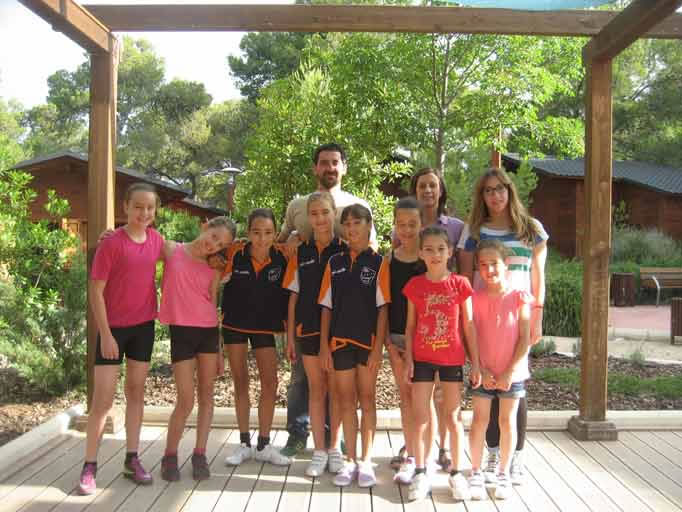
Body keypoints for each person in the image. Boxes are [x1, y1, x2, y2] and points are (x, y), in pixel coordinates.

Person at [278, 143, 376, 458]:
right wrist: (291, 240)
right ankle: (298, 434)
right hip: (307, 309)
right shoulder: (297, 204)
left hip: (343, 312)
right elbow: (282, 240)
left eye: (335, 162)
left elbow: (371, 251)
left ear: (344, 167)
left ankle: (338, 438)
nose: (329, 167)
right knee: (301, 379)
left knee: (339, 378)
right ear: (315, 168)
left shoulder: (358, 205)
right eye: (323, 162)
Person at [457, 167, 548, 486]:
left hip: (518, 317)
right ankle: (492, 453)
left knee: (514, 385)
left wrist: (537, 313)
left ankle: (516, 457)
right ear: (481, 196)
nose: (495, 195)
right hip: (484, 318)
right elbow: (466, 278)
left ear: (509, 190)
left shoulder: (532, 229)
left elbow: (538, 275)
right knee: (487, 384)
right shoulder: (474, 231)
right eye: (488, 190)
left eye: (500, 188)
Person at [79, 183, 165, 495]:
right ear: (126, 207)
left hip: (144, 328)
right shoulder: (112, 243)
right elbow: (96, 291)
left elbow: (187, 254)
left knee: (136, 393)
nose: (144, 212)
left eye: (150, 208)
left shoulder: (156, 240)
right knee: (102, 401)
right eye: (138, 206)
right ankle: (89, 466)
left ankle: (132, 459)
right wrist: (105, 334)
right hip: (112, 330)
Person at [394, 167, 465, 471]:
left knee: (443, 398)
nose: (427, 190)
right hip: (411, 324)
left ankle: (444, 448)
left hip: (444, 325)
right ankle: (413, 447)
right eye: (421, 185)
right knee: (414, 395)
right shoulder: (403, 230)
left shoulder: (455, 227)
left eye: (432, 185)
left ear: (440, 189)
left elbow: (461, 274)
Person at [403, 226, 481, 502]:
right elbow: (410, 327)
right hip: (422, 358)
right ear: (421, 253)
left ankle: (457, 473)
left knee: (453, 416)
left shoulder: (460, 284)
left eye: (440, 249)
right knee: (420, 417)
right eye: (429, 249)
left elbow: (468, 325)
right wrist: (409, 359)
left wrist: (476, 363)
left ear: (449, 252)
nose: (435, 254)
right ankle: (420, 471)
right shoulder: (415, 285)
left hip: (452, 359)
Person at [158, 217, 235, 482]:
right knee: (186, 399)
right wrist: (111, 236)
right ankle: (169, 455)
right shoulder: (172, 250)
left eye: (220, 245)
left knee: (206, 396)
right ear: (205, 226)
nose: (213, 245)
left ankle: (200, 454)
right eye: (213, 237)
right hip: (181, 333)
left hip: (208, 335)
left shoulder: (215, 267)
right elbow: (139, 245)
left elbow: (213, 304)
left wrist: (220, 350)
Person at [318, 204, 390, 487]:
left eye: (356, 223)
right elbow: (326, 307)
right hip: (339, 342)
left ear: (368, 225)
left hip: (367, 343)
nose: (351, 228)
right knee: (345, 401)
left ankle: (366, 461)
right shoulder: (334, 262)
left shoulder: (379, 263)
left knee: (367, 399)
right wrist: (324, 346)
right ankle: (349, 460)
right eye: (346, 224)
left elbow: (383, 309)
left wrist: (378, 348)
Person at [283, 191, 346, 477]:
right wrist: (289, 337)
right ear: (308, 218)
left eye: (325, 212)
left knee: (337, 391)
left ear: (334, 214)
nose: (320, 219)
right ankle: (319, 451)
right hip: (307, 330)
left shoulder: (345, 250)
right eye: (314, 214)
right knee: (316, 389)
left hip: (339, 332)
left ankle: (335, 448)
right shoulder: (302, 252)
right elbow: (293, 298)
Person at [222, 209, 292, 467]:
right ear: (247, 233)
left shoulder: (283, 255)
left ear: (276, 233)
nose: (262, 239)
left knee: (270, 383)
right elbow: (206, 250)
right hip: (235, 325)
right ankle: (244, 444)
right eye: (256, 232)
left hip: (265, 327)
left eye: (268, 232)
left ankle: (263, 445)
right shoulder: (234, 252)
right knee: (240, 381)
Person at [468, 240, 532, 500]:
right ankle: (475, 472)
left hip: (511, 373)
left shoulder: (519, 297)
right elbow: (470, 336)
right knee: (479, 421)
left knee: (507, 421)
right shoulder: (473, 298)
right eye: (483, 265)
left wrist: (509, 372)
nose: (489, 270)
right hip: (483, 371)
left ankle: (504, 473)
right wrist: (479, 367)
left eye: (493, 263)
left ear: (505, 264)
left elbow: (525, 338)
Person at [384, 197, 426, 485]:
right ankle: (411, 453)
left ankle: (425, 456)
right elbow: (385, 303)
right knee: (406, 396)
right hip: (397, 339)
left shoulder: (428, 258)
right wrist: (388, 339)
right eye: (402, 224)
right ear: (395, 226)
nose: (407, 230)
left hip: (425, 341)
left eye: (413, 224)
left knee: (423, 399)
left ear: (422, 224)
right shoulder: (389, 260)